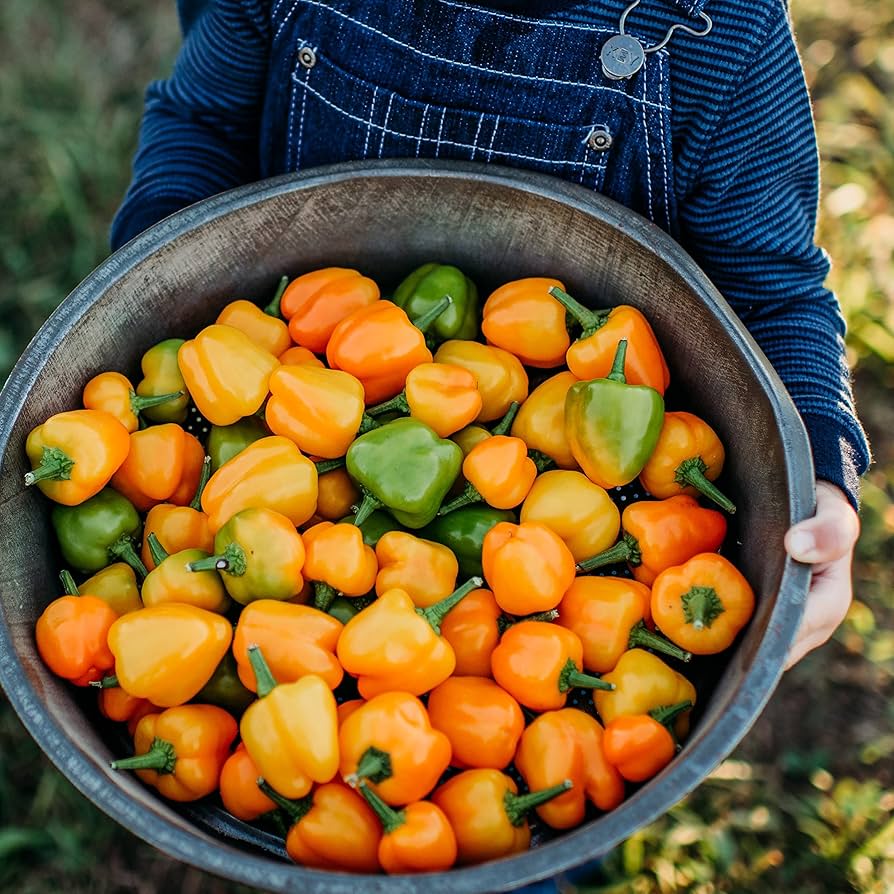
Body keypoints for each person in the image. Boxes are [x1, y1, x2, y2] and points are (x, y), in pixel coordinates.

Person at [111, 4, 868, 881]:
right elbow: (201, 123)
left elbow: (772, 290)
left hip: (565, 531)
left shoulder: (715, 30)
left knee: (523, 846)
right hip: (309, 394)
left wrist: (821, 467)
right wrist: (150, 284)